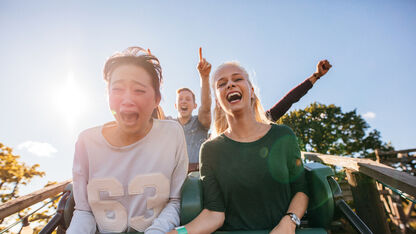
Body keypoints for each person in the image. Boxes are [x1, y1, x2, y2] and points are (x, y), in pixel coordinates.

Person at [169, 60, 332, 234]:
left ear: (252, 91)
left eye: (237, 79)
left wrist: (289, 222)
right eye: (222, 84)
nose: (230, 84)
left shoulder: (283, 136)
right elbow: (214, 213)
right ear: (218, 101)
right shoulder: (210, 150)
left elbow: (301, 190)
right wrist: (178, 233)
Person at [67, 47, 188, 234]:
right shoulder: (86, 142)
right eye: (117, 89)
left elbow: (175, 201)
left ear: (157, 99)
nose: (127, 99)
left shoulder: (172, 134)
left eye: (139, 90)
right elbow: (84, 210)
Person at [169, 48, 211, 172]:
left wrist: (204, 77)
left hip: (196, 175)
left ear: (194, 105)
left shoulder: (200, 122)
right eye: (180, 99)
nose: (184, 101)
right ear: (176, 105)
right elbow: (153, 112)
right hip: (172, 175)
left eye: (188, 99)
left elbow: (206, 108)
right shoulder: (168, 123)